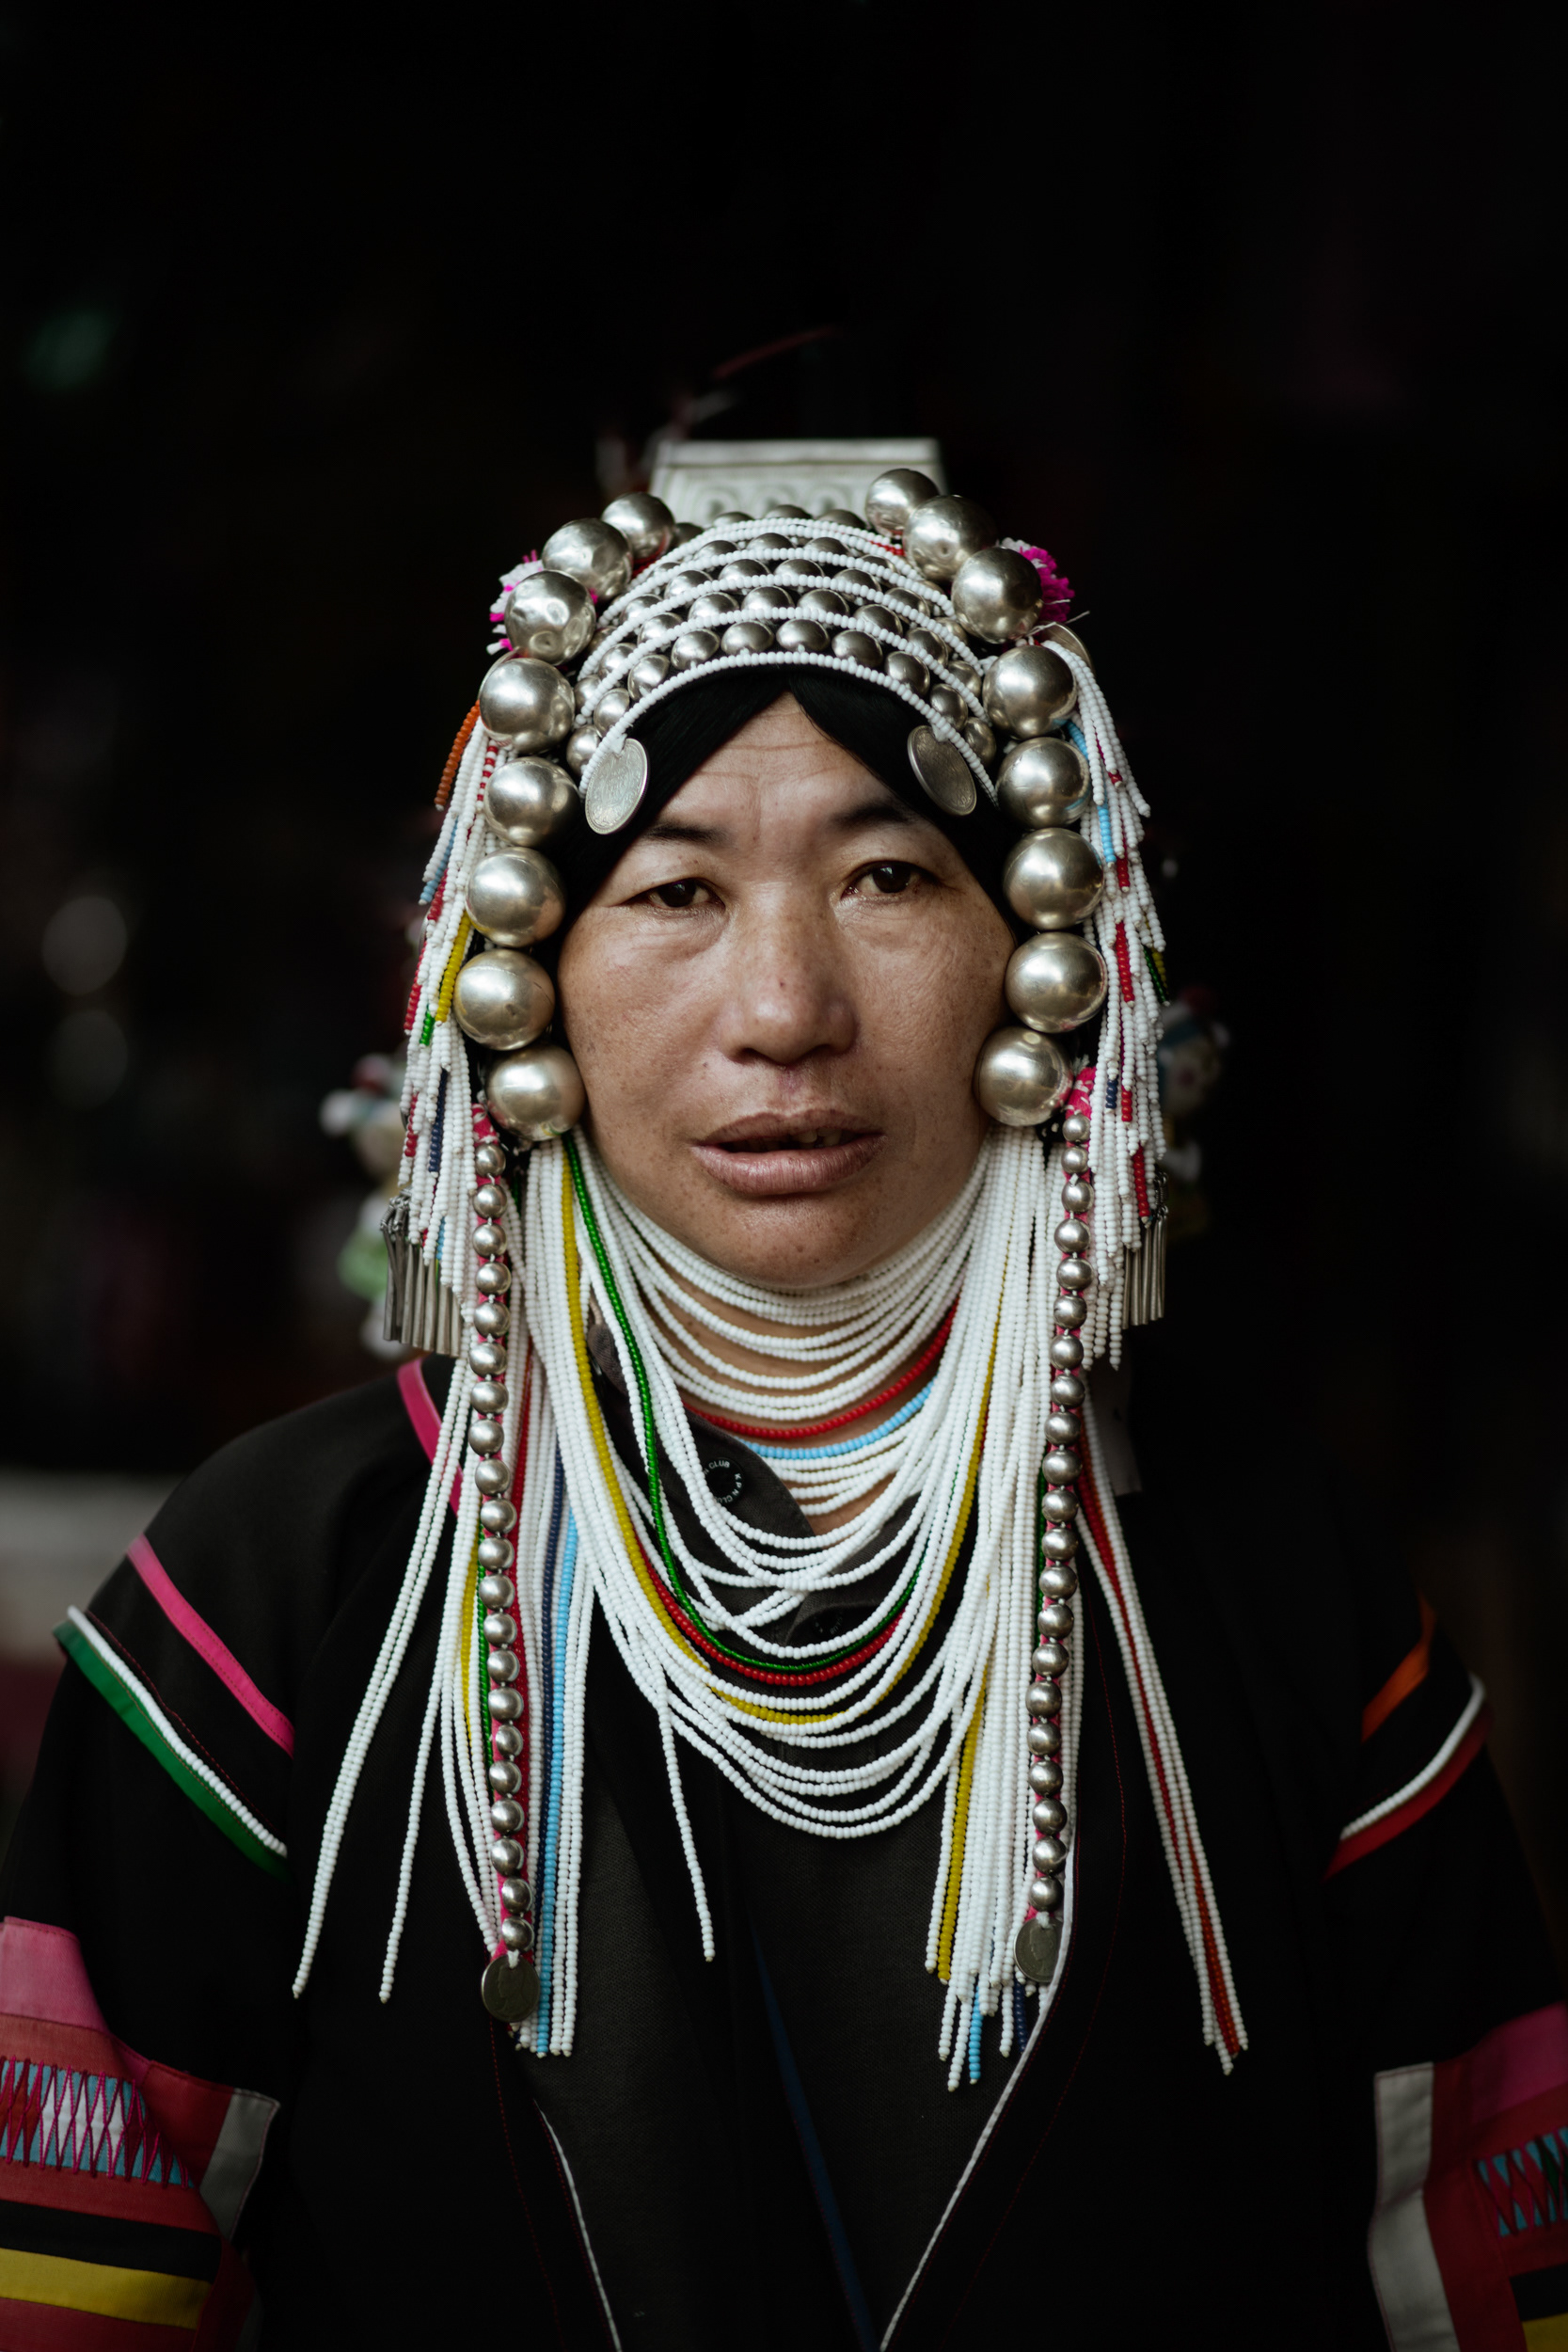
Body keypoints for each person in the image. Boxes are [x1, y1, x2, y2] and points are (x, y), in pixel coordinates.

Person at [2, 476, 1563, 2351]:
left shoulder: (1276, 1583)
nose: (785, 1003)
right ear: (527, 992)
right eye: (671, 887)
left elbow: (1491, 2272)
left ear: (1042, 957)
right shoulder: (278, 1590)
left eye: (890, 873)